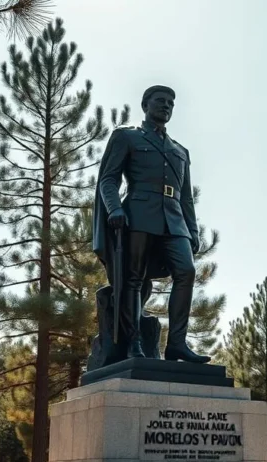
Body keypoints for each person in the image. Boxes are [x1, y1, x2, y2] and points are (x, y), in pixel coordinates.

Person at [92, 84, 210, 364]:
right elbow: (108, 179)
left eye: (171, 102)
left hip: (174, 220)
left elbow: (186, 197)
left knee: (186, 271)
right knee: (133, 279)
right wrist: (114, 208)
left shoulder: (180, 151)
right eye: (160, 100)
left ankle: (177, 344)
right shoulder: (127, 137)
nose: (166, 105)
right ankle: (134, 343)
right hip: (138, 215)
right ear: (145, 105)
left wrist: (192, 230)